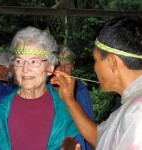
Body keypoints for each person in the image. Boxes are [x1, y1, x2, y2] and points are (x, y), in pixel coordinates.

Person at [50, 17, 142, 150]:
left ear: (111, 62)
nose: (94, 68)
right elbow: (101, 138)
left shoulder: (138, 112)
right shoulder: (131, 104)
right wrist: (69, 99)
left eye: (95, 60)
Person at [0, 26, 87, 150]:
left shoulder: (67, 113)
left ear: (51, 68)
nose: (25, 69)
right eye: (19, 61)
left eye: (34, 61)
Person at [51, 46, 94, 149]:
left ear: (73, 66)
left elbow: (90, 125)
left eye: (67, 64)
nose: (62, 69)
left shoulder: (81, 90)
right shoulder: (43, 92)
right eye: (58, 65)